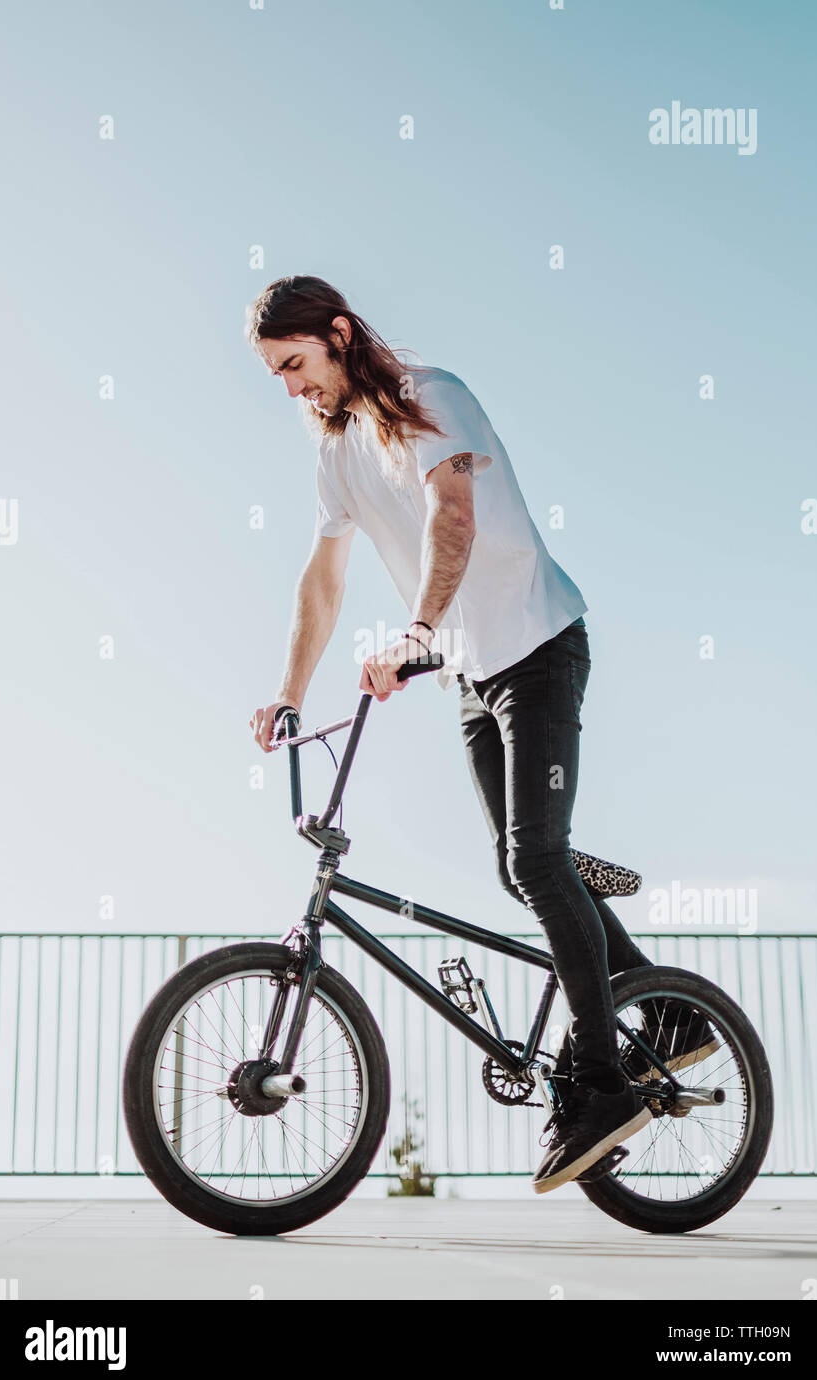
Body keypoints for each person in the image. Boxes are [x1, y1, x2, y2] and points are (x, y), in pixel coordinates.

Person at [246, 274, 655, 1191]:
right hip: (473, 673)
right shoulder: (337, 449)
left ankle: (602, 1083)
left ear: (340, 335)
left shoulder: (434, 395)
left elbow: (453, 516)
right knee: (525, 867)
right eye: (276, 373)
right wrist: (286, 691)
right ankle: (662, 1008)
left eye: (296, 364)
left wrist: (419, 632)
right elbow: (323, 584)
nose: (290, 387)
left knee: (538, 863)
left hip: (539, 645)